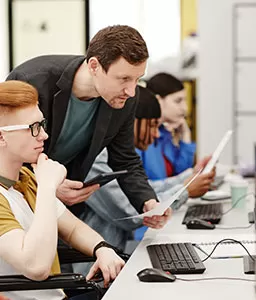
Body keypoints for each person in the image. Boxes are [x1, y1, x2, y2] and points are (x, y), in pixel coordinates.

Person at [6, 25, 171, 229]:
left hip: (66, 210)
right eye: (124, 79)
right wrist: (46, 186)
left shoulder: (124, 99)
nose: (131, 91)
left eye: (138, 79)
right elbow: (7, 152)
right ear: (94, 66)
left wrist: (148, 202)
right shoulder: (32, 80)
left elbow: (125, 158)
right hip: (15, 203)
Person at [0, 81, 126, 300]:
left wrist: (102, 248)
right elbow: (36, 267)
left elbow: (73, 229)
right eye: (33, 128)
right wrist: (48, 187)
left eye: (42, 124)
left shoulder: (25, 177)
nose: (44, 136)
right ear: (2, 137)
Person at [74, 86, 215, 275]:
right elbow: (129, 210)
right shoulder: (95, 158)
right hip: (96, 271)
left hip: (118, 256)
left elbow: (147, 190)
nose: (156, 134)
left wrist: (190, 177)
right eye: (152, 126)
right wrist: (185, 190)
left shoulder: (119, 156)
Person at [139, 72, 196, 180]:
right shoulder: (139, 136)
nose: (185, 108)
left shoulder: (164, 133)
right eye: (178, 101)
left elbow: (181, 175)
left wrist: (185, 134)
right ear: (158, 100)